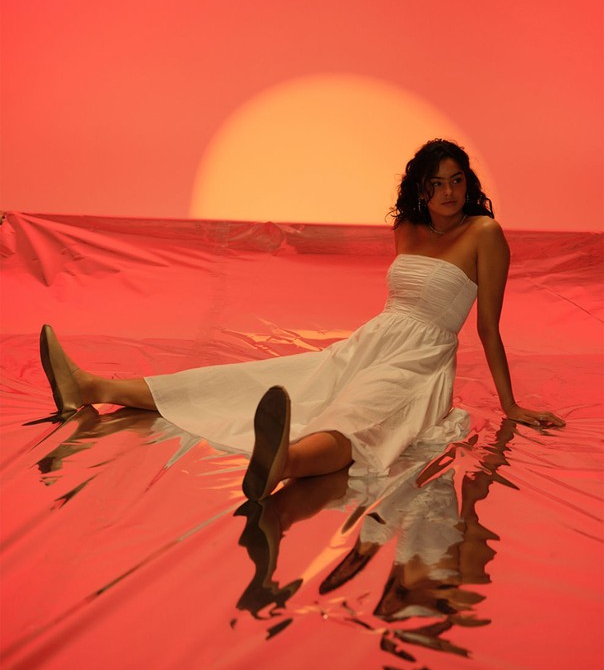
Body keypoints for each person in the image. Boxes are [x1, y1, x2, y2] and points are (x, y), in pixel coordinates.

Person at [39, 139, 565, 503]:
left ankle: (282, 463)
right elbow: (402, 304)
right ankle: (91, 385)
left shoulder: (485, 234)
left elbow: (488, 328)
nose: (449, 192)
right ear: (420, 189)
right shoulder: (407, 228)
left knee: (361, 415)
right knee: (255, 381)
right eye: (437, 183)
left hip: (422, 362)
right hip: (372, 341)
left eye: (457, 181)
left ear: (468, 183)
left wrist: (511, 405)